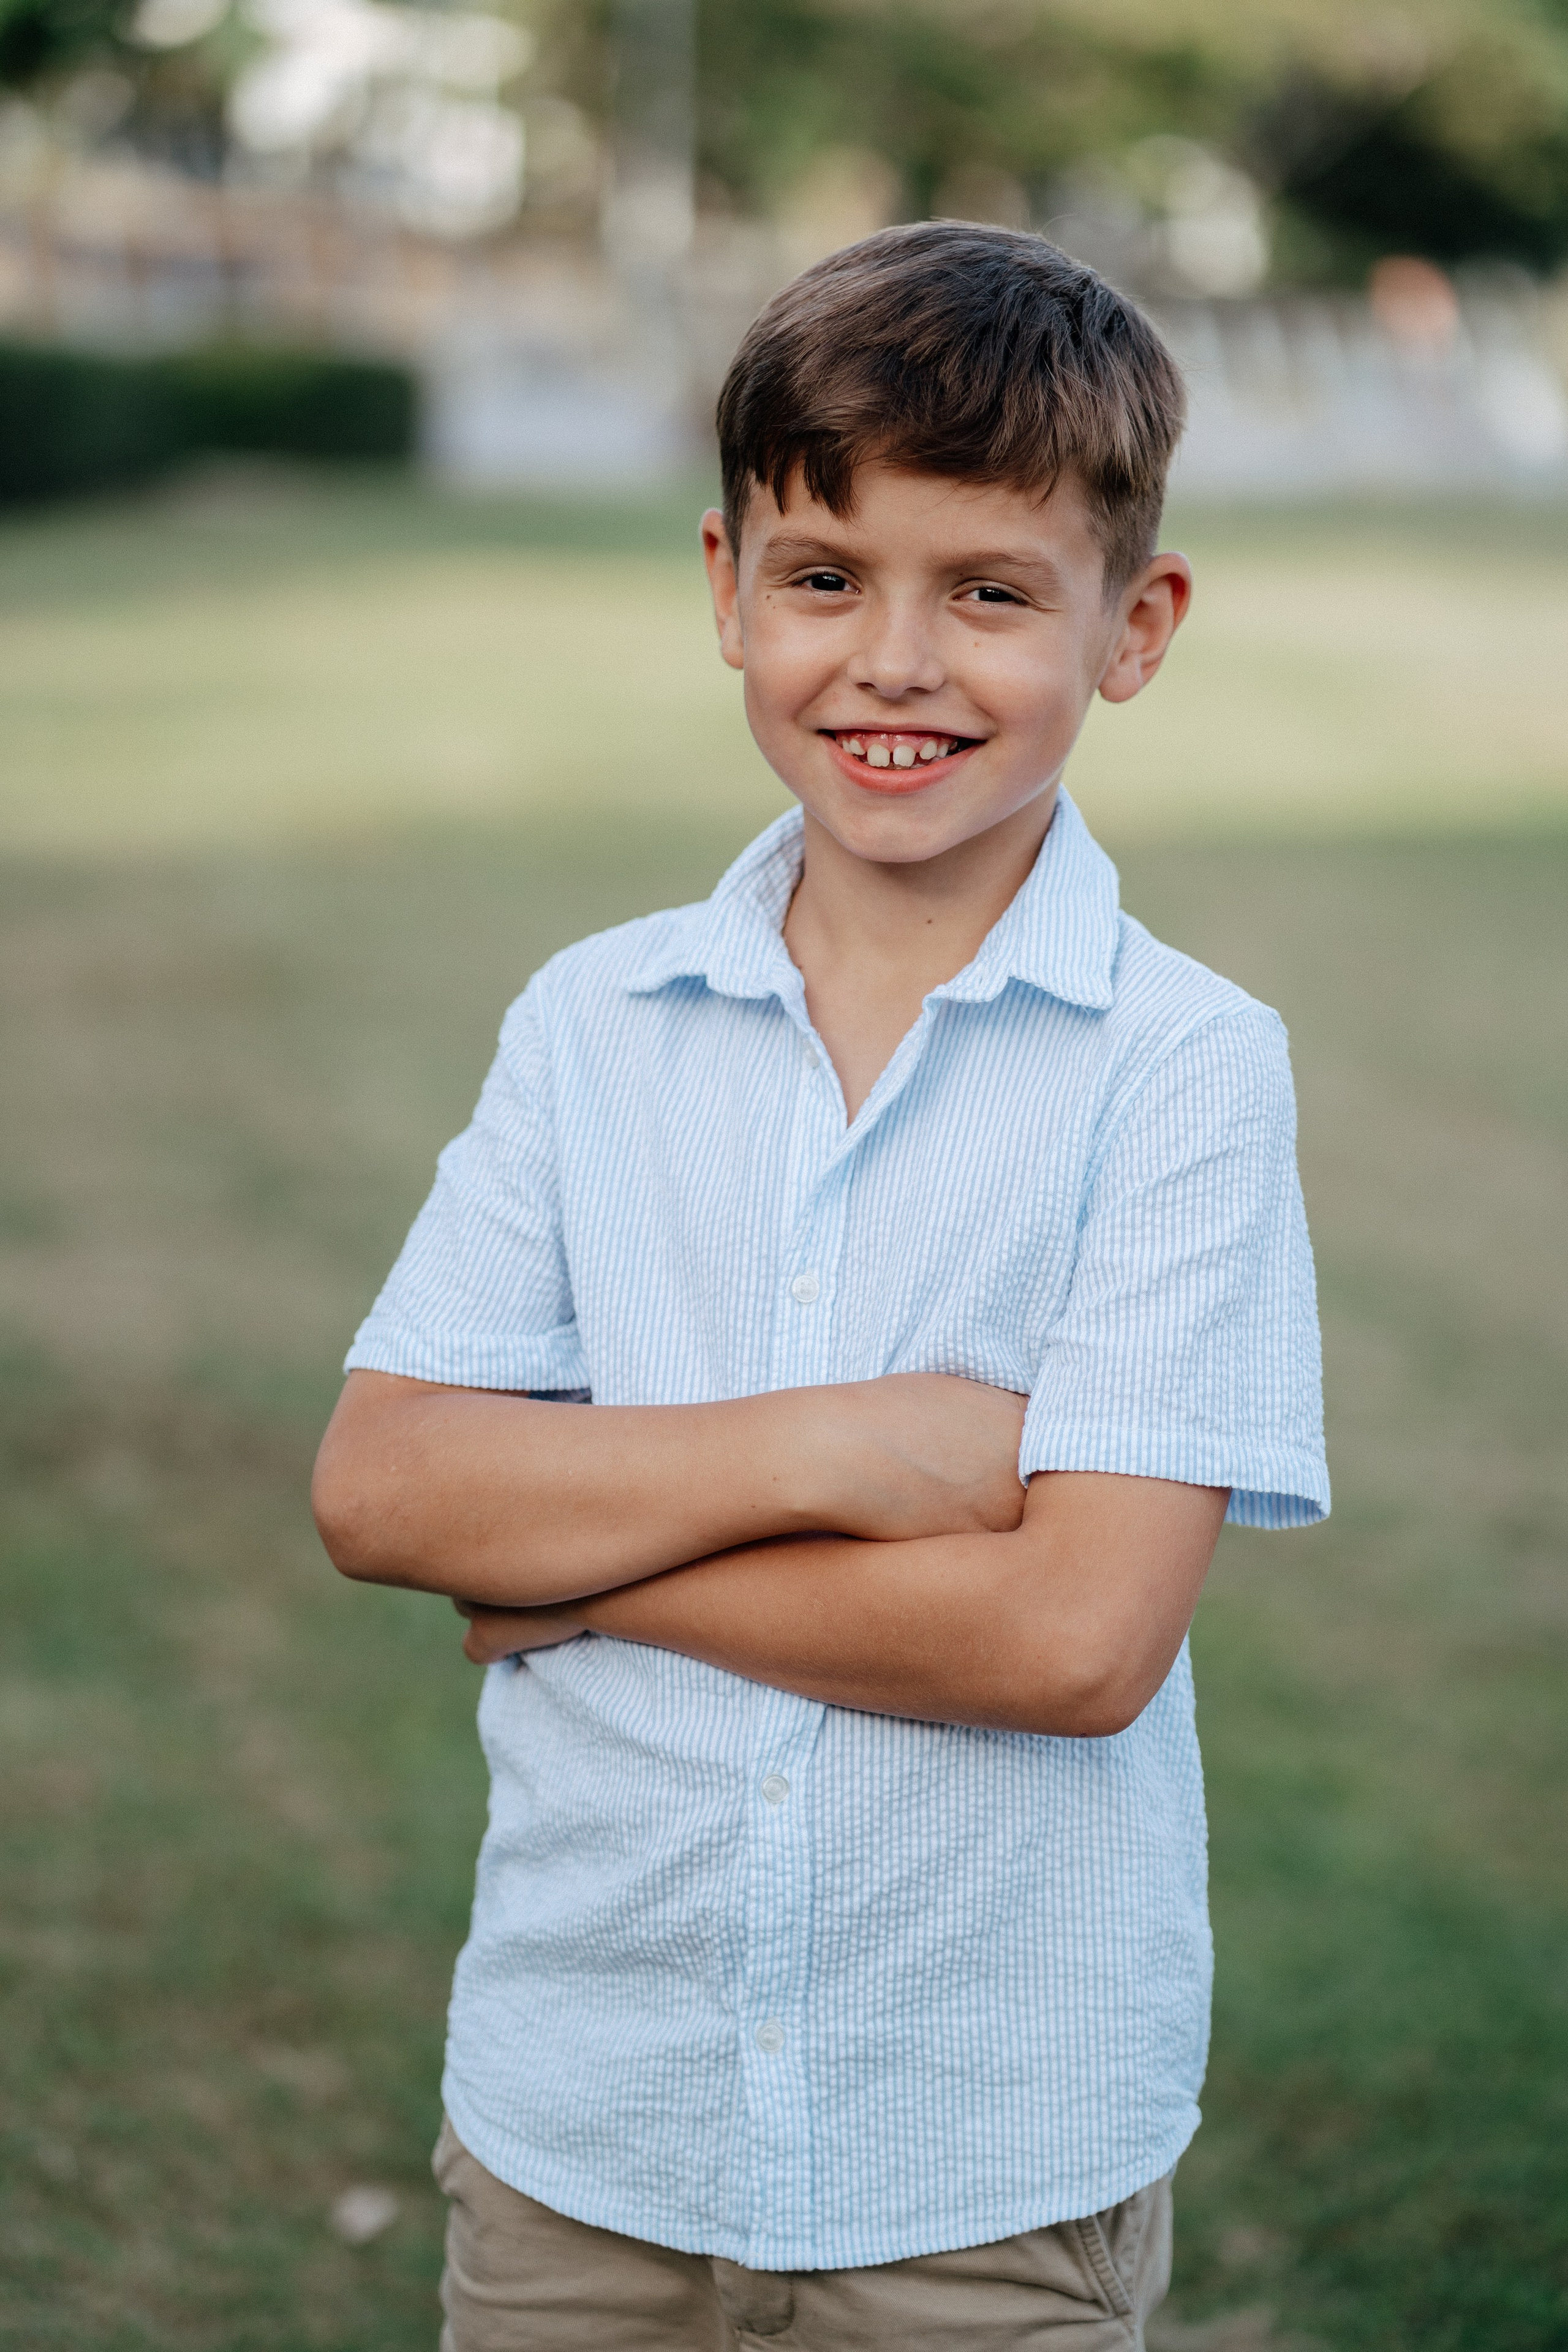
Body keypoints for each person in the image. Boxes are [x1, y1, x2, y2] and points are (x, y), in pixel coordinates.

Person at [312, 221, 1329, 2351]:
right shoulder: (593, 1026)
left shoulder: (1183, 1065)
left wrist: (575, 1565)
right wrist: (845, 1448)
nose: (896, 661)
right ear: (725, 590)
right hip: (584, 2125)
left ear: (1131, 628)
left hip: (982, 2158)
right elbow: (387, 1493)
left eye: (988, 592)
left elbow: (1070, 1642)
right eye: (826, 577)